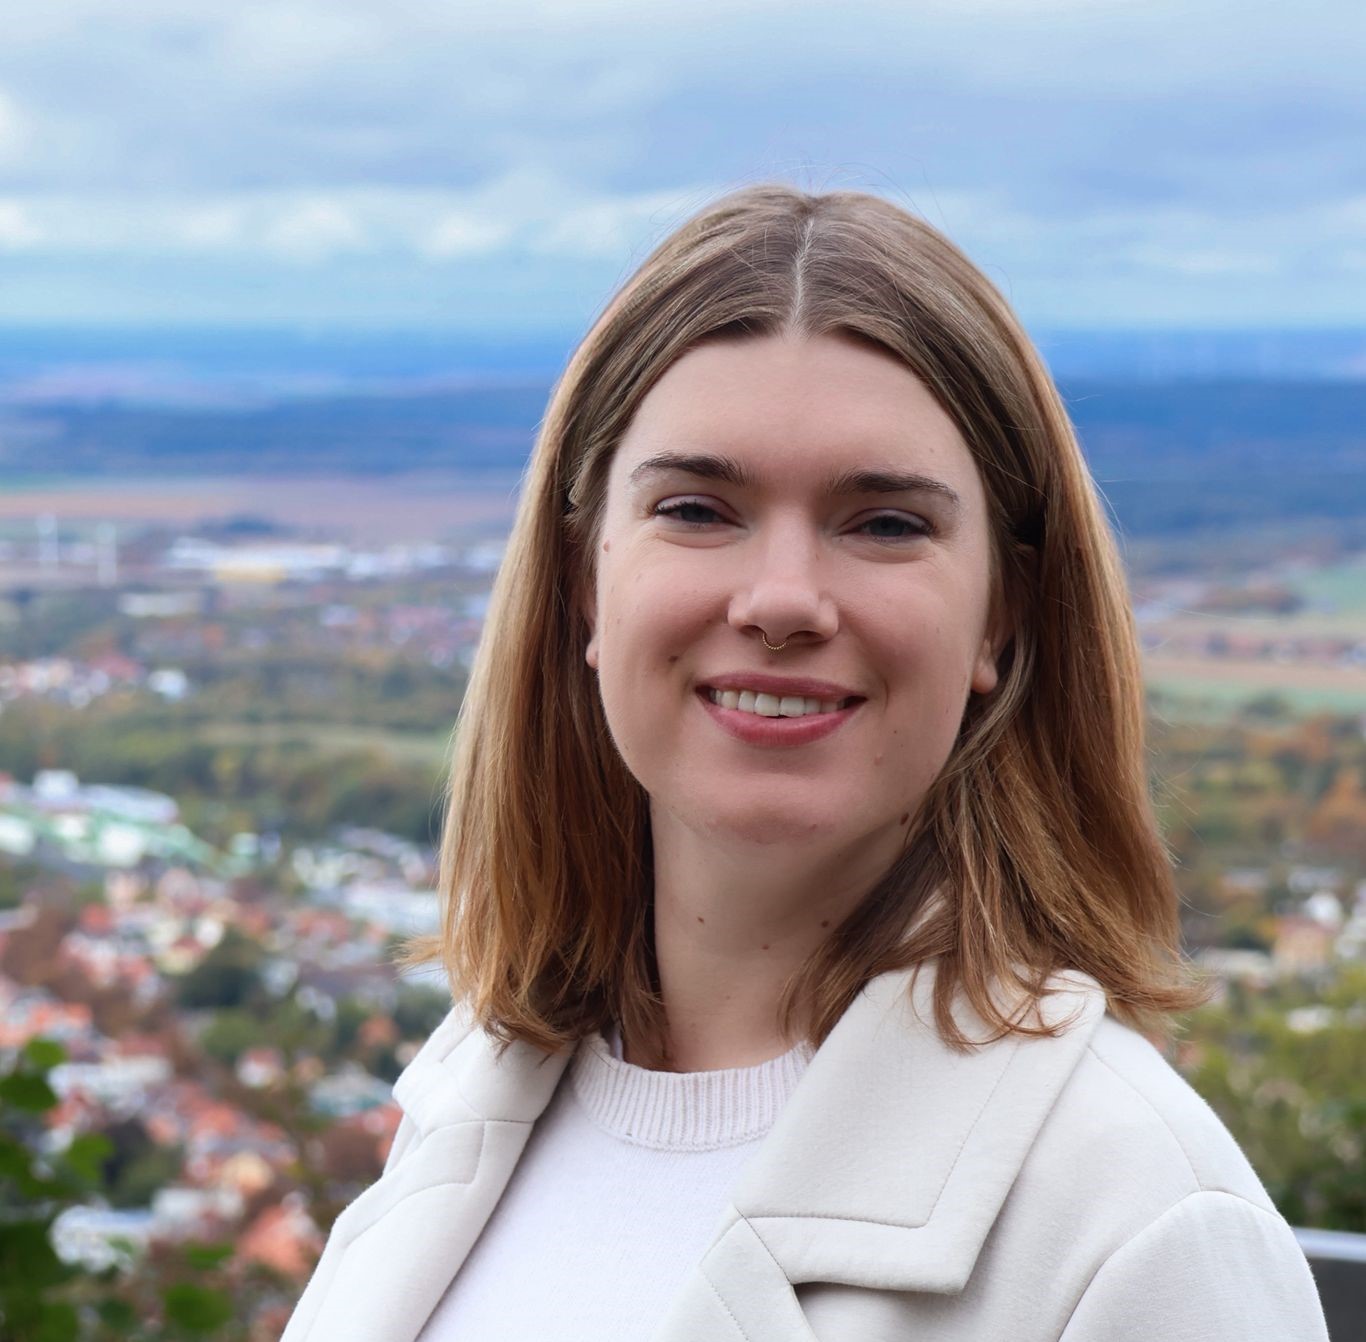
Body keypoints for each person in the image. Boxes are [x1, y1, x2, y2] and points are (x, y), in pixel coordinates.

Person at [280, 184, 1329, 1342]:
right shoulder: (466, 1104)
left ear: (1002, 615)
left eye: (884, 523)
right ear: (585, 580)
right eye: (697, 508)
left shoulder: (1141, 1225)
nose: (781, 599)